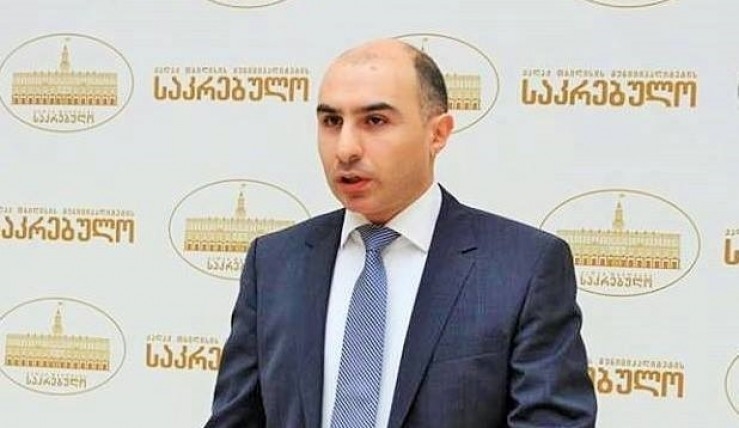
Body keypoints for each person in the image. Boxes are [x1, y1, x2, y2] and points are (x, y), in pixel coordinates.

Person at [204, 38, 597, 428]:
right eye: (331, 122)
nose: (345, 149)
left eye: (375, 121)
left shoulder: (523, 268)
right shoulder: (274, 262)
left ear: (438, 133)